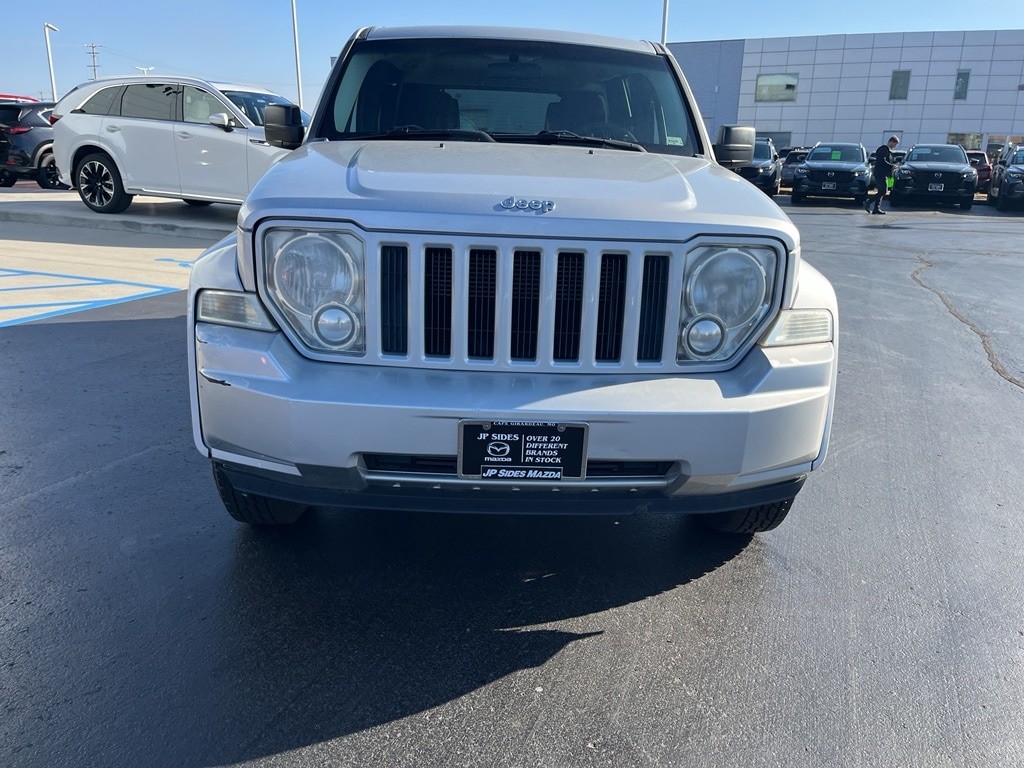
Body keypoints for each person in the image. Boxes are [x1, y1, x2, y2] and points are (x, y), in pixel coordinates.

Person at [867, 135, 900, 214]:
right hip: (880, 173)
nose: (895, 146)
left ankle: (876, 208)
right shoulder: (883, 149)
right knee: (883, 191)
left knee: (881, 191)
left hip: (883, 173)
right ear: (891, 142)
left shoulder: (887, 150)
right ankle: (868, 202)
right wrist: (891, 166)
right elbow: (882, 161)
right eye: (895, 144)